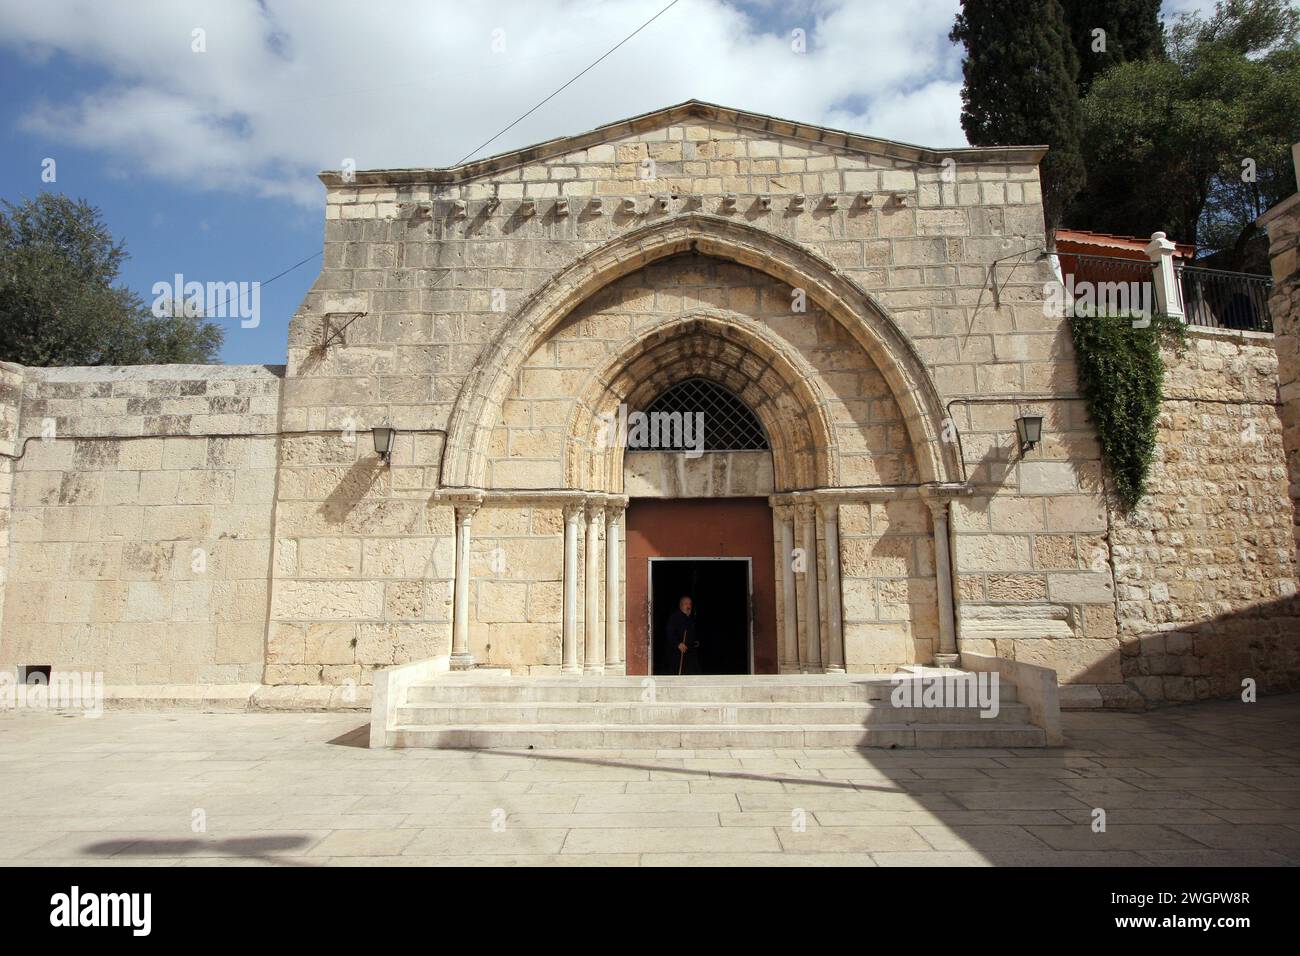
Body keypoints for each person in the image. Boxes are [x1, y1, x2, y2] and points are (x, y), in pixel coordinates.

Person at [666, 595, 701, 674]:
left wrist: (695, 642)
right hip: (678, 653)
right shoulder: (674, 617)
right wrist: (678, 644)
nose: (689, 606)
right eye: (686, 604)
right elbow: (669, 633)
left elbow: (692, 634)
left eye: (690, 604)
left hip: (690, 654)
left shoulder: (690, 619)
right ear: (680, 605)